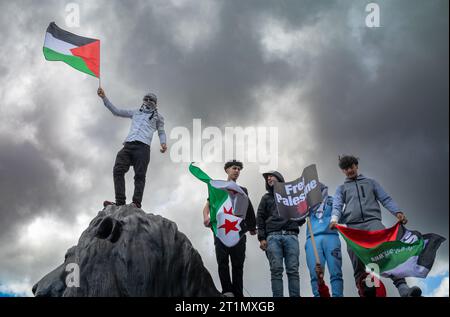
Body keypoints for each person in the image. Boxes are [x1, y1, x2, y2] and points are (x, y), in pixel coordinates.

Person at [329, 155, 422, 297]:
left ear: (356, 166)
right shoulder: (341, 189)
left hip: (373, 222)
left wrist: (397, 212)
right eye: (346, 168)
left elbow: (385, 198)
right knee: (356, 258)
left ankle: (403, 288)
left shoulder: (371, 183)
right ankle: (366, 291)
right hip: (353, 228)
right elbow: (337, 205)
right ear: (343, 171)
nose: (349, 170)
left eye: (351, 167)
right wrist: (334, 219)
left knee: (386, 252)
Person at [97, 87, 167, 209]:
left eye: (151, 100)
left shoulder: (158, 117)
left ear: (155, 104)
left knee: (140, 175)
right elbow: (117, 111)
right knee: (118, 169)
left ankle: (136, 203)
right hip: (128, 145)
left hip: (143, 148)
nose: (148, 101)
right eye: (146, 99)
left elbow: (161, 131)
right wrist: (104, 98)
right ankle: (120, 202)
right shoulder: (135, 112)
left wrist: (163, 143)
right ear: (143, 100)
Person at [202, 160, 256, 297]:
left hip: (238, 231)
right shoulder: (218, 188)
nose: (236, 171)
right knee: (222, 260)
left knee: (238, 263)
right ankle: (227, 291)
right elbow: (208, 205)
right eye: (234, 168)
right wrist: (206, 217)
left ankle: (238, 293)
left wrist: (252, 226)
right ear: (226, 170)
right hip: (221, 230)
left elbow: (249, 209)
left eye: (239, 169)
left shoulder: (243, 191)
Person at [257, 171, 304, 297]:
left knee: (293, 270)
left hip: (291, 235)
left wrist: (303, 209)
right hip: (273, 236)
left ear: (279, 178)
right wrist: (261, 238)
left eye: (271, 176)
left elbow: (300, 220)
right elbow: (260, 217)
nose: (268, 178)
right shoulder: (266, 198)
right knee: (276, 270)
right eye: (267, 178)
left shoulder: (291, 196)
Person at [305, 182, 343, 297]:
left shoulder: (333, 200)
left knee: (336, 272)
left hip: (331, 236)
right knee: (315, 273)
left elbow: (340, 214)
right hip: (312, 238)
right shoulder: (306, 205)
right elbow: (297, 217)